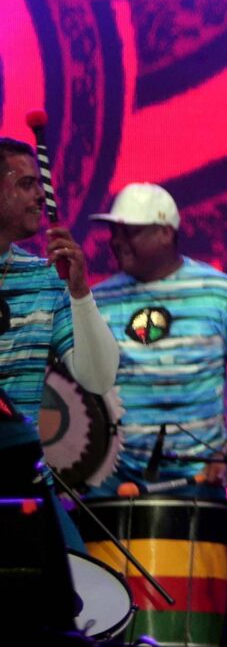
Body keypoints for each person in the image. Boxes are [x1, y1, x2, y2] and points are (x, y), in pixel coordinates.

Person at [87, 182, 227, 491]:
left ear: (165, 233)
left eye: (130, 232)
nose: (117, 241)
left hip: (199, 476)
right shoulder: (96, 300)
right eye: (114, 232)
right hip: (113, 477)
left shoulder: (223, 294)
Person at [0, 136, 118, 498]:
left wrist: (79, 291)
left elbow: (99, 377)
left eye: (40, 184)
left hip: (22, 484)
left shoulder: (46, 277)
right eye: (26, 184)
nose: (41, 196)